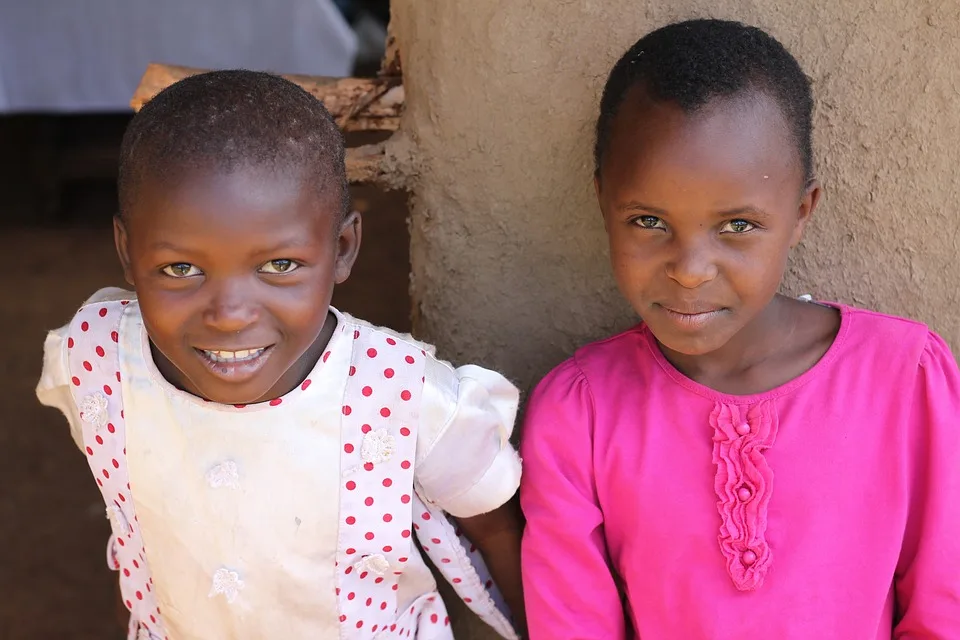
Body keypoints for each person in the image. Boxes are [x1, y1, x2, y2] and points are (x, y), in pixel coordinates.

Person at [36, 70, 525, 640]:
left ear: (341, 249)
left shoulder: (403, 394)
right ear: (127, 251)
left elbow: (495, 529)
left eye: (280, 266)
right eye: (181, 269)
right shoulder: (96, 361)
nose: (230, 313)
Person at [519, 18, 960, 639]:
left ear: (801, 212)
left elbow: (945, 610)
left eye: (738, 226)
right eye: (648, 221)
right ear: (603, 203)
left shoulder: (905, 378)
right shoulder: (581, 412)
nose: (691, 271)